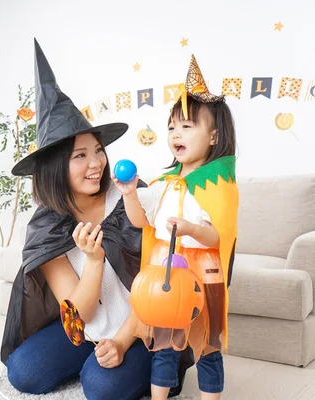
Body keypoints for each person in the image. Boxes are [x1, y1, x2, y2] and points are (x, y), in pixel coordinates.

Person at [0, 39, 193, 400]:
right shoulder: (48, 226)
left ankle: (144, 366)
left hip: (145, 322)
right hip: (90, 324)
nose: (96, 163)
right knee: (23, 371)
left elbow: (161, 286)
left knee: (101, 387)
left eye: (98, 151)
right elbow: (76, 319)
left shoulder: (132, 198)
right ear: (55, 167)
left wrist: (120, 342)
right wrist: (93, 261)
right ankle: (97, 354)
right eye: (80, 155)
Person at [112, 55, 239, 400]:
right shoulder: (163, 183)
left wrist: (190, 230)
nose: (175, 134)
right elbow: (142, 222)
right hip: (165, 275)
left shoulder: (219, 185)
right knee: (165, 345)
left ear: (214, 136)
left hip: (205, 275)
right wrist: (129, 195)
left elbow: (219, 236)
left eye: (187, 126)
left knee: (209, 347)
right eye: (171, 127)